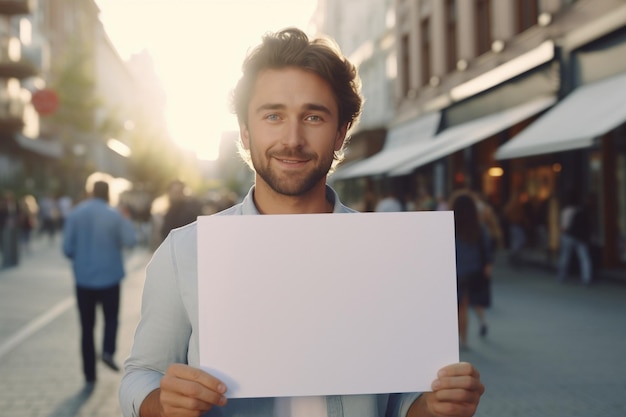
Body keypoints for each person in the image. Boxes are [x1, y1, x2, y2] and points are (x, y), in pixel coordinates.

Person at [120, 28, 484, 417]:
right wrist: (162, 402)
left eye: (313, 116)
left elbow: (403, 403)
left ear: (341, 132)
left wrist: (436, 406)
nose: (292, 139)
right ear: (245, 131)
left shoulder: (387, 254)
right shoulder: (185, 252)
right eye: (273, 115)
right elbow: (141, 375)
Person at [62, 180, 137, 383]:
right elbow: (131, 241)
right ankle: (108, 351)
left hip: (84, 279)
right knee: (111, 318)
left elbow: (67, 248)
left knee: (86, 326)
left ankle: (89, 373)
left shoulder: (76, 214)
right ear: (108, 193)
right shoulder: (114, 215)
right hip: (110, 277)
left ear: (90, 192)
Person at [451, 193, 493, 348]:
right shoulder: (477, 227)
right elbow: (486, 249)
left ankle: (454, 340)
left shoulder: (450, 226)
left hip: (453, 270)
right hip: (471, 270)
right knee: (464, 307)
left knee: (454, 308)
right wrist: (488, 265)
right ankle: (464, 340)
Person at [557, 189, 593, 285]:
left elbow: (563, 227)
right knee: (584, 257)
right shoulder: (580, 210)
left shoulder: (566, 211)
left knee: (565, 256)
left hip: (569, 235)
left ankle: (562, 275)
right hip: (580, 237)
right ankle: (586, 277)